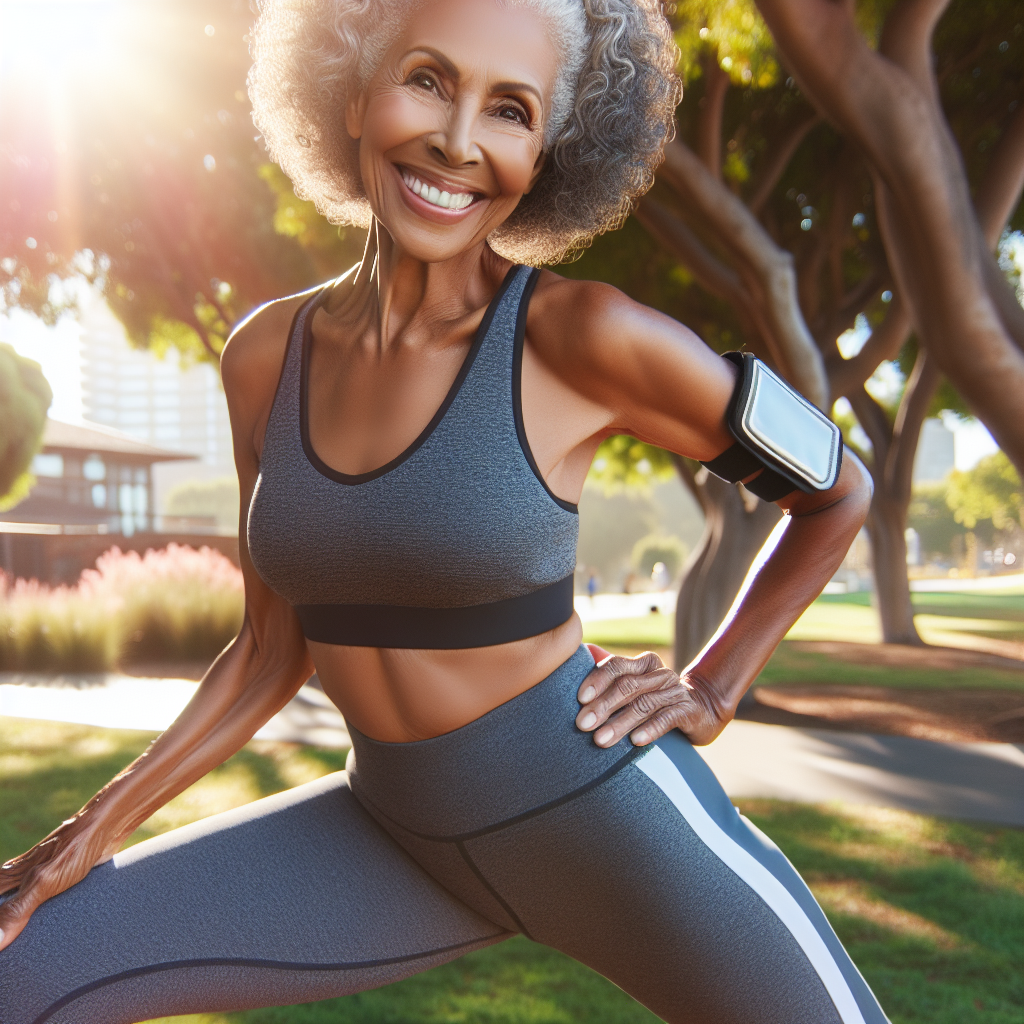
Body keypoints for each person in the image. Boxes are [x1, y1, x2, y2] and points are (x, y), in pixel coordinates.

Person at [0, 1, 889, 1022]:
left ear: (548, 149)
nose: (458, 141)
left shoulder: (582, 334)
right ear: (350, 89)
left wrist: (714, 686)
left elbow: (837, 489)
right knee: (21, 963)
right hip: (390, 830)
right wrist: (92, 827)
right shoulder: (264, 355)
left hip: (608, 821)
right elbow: (265, 648)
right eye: (426, 80)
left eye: (509, 109)